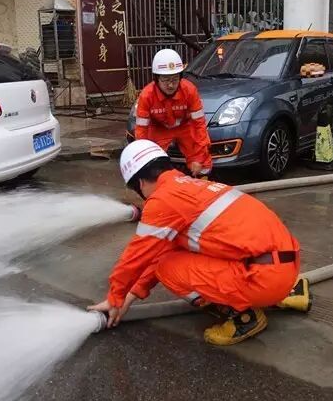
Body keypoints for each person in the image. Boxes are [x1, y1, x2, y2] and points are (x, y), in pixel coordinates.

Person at [88, 140, 311, 346]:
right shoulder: (192, 186)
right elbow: (163, 250)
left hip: (264, 279)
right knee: (176, 255)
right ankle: (287, 293)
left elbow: (136, 258)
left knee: (167, 268)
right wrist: (128, 297)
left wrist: (115, 298)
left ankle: (244, 316)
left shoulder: (163, 200)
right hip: (288, 268)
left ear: (140, 183)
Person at [134, 49, 212, 178]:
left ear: (180, 78)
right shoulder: (147, 96)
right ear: (156, 79)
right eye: (165, 80)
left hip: (185, 127)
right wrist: (145, 157)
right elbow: (141, 132)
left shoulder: (190, 90)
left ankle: (202, 182)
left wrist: (199, 158)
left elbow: (199, 125)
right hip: (158, 129)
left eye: (175, 79)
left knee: (203, 162)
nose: (170, 85)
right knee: (152, 165)